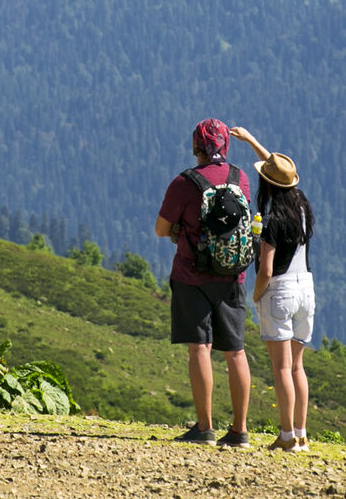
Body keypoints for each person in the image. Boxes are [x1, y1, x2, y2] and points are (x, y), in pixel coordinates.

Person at [155, 118, 252, 447]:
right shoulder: (242, 180)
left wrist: (181, 230)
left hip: (191, 275)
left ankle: (205, 427)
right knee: (236, 353)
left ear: (196, 147)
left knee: (200, 348)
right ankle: (239, 431)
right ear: (225, 145)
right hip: (232, 277)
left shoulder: (184, 183)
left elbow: (160, 228)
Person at [231, 125, 315, 452]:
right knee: (297, 367)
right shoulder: (302, 208)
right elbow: (279, 173)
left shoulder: (271, 221)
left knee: (280, 368)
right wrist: (252, 141)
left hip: (279, 291)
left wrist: (255, 295)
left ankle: (285, 436)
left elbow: (265, 269)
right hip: (306, 287)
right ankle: (301, 432)